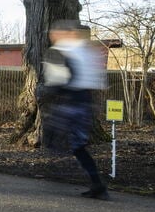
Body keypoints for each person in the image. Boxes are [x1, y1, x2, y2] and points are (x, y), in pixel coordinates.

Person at [40, 20, 109, 200]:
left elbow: (58, 80)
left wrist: (49, 94)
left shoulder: (60, 50)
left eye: (54, 34)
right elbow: (98, 79)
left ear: (62, 34)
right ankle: (96, 183)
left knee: (52, 136)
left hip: (68, 100)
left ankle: (58, 168)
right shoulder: (90, 51)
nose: (52, 37)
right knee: (79, 145)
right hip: (86, 101)